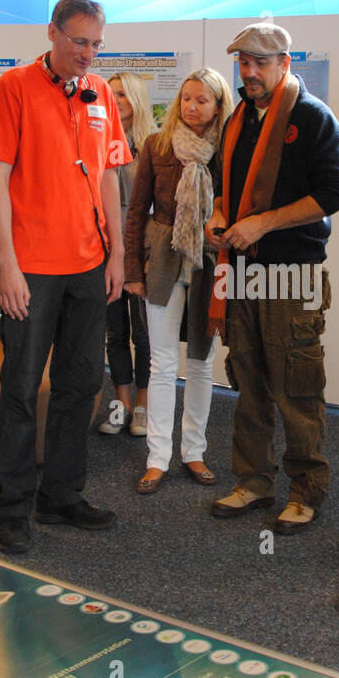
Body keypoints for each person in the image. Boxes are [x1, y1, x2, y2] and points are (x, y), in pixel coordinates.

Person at [0, 0, 130, 555]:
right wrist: (7, 266)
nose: (88, 53)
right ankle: (14, 506)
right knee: (20, 386)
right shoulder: (13, 87)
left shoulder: (101, 95)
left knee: (80, 383)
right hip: (32, 271)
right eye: (79, 41)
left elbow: (110, 177)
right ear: (52, 33)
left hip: (90, 266)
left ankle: (61, 495)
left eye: (97, 44)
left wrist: (116, 255)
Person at [205, 23, 339, 534]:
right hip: (242, 271)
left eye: (260, 62)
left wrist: (263, 223)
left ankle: (306, 490)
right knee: (247, 381)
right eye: (243, 62)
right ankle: (253, 481)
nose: (249, 72)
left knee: (296, 386)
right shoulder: (237, 118)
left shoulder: (313, 118)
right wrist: (219, 216)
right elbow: (223, 186)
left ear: (286, 64)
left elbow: (336, 193)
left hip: (293, 272)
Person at [124, 68, 233, 494]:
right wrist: (132, 272)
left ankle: (193, 451)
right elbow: (136, 213)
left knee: (202, 362)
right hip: (164, 259)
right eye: (186, 98)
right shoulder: (158, 144)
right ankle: (157, 458)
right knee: (162, 362)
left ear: (218, 105)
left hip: (209, 261)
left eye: (201, 100)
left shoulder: (227, 150)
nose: (191, 107)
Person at [97, 72, 157, 437]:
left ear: (136, 98)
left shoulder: (154, 144)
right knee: (114, 332)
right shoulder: (97, 138)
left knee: (145, 335)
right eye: (111, 93)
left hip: (143, 251)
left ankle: (145, 409)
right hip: (104, 250)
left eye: (122, 94)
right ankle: (121, 404)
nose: (116, 100)